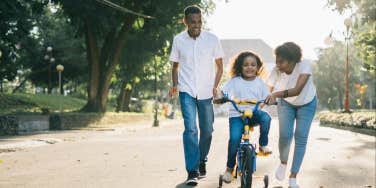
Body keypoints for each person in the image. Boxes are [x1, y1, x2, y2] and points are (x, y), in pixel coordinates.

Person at [168, 5, 224, 186]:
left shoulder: (212, 39)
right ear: (185, 22)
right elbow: (175, 66)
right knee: (191, 129)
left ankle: (202, 160)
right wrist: (175, 84)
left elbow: (220, 66)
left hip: (207, 91)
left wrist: (215, 87)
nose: (196, 25)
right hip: (186, 91)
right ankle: (192, 170)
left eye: (199, 21)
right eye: (192, 22)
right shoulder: (178, 40)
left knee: (207, 130)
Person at [265, 42, 317, 188]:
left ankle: (293, 177)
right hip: (286, 104)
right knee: (285, 135)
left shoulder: (304, 65)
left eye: (281, 61)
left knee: (301, 137)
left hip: (307, 103)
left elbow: (297, 90)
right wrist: (258, 105)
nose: (278, 65)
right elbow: (266, 91)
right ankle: (283, 162)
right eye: (277, 61)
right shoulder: (276, 71)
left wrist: (275, 94)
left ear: (292, 60)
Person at [220, 51, 272, 183]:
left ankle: (262, 144)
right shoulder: (234, 81)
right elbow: (223, 91)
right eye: (246, 65)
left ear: (258, 67)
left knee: (266, 118)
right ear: (240, 67)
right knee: (235, 139)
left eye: (253, 65)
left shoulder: (260, 83)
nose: (249, 67)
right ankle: (229, 169)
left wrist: (270, 99)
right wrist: (220, 96)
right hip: (237, 115)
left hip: (253, 113)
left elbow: (267, 96)